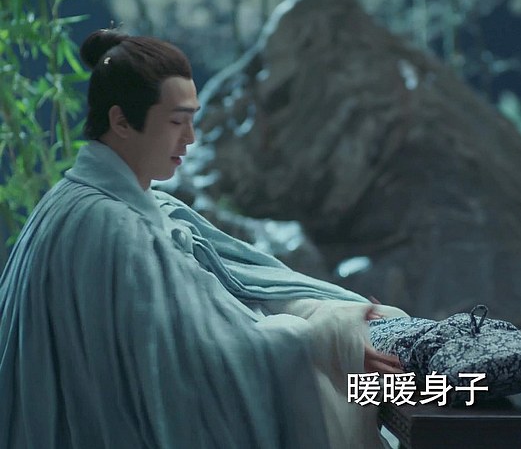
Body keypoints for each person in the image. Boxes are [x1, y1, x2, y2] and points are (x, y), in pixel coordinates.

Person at [0, 28, 406, 448]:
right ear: (120, 121)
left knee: (365, 328)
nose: (190, 138)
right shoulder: (111, 227)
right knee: (342, 362)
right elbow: (198, 362)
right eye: (176, 122)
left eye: (192, 120)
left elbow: (240, 286)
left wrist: (329, 317)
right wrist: (324, 340)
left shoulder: (123, 201)